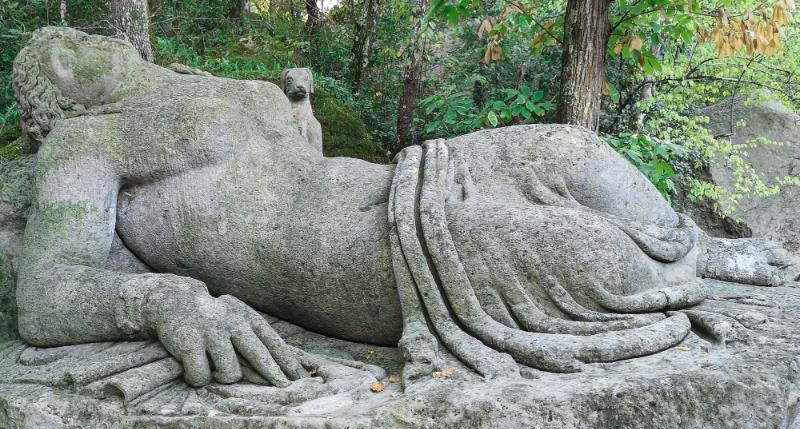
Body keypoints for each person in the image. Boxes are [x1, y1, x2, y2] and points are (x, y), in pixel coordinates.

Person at [12, 27, 788, 386]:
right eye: (54, 54)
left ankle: (699, 250)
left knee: (572, 151)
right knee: (594, 260)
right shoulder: (87, 144)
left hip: (403, 175)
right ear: (50, 99)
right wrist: (165, 299)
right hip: (372, 255)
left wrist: (296, 120)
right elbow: (45, 294)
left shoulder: (199, 87)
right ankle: (679, 269)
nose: (79, 43)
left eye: (74, 30)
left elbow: (282, 174)